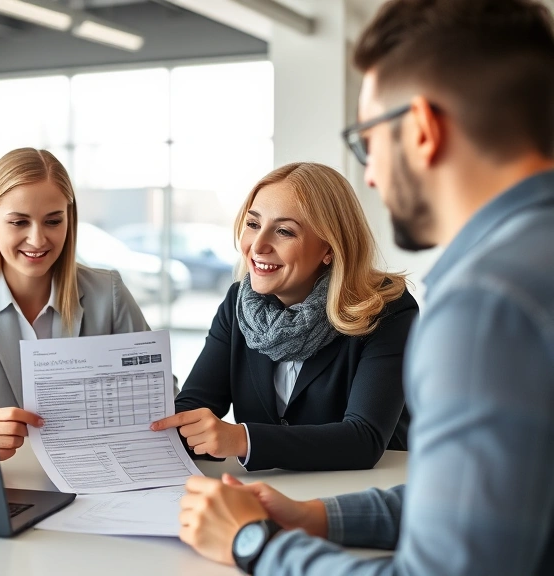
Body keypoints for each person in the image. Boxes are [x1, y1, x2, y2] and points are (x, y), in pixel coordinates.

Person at [177, 0, 554, 574]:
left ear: (423, 130)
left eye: (367, 142)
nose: (372, 175)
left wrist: (253, 544)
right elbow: (469, 506)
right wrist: (317, 518)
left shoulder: (486, 303)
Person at [152, 163, 417, 472]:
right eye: (253, 224)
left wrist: (242, 440)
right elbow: (193, 408)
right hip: (265, 492)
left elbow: (364, 439)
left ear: (328, 248)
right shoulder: (238, 303)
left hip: (366, 496)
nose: (258, 245)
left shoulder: (386, 307)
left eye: (284, 231)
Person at [0, 147, 150, 462]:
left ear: (68, 219)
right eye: (19, 222)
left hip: (95, 478)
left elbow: (157, 395)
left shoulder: (107, 292)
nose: (37, 239)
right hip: (5, 480)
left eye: (53, 221)